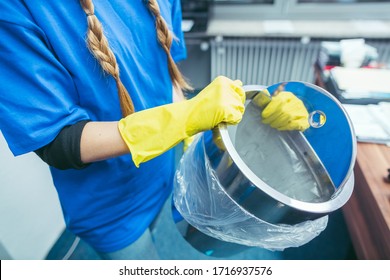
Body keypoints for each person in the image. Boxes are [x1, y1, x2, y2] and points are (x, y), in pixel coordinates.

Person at [0, 0, 309, 259]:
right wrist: (183, 118)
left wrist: (197, 128)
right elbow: (59, 142)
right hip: (109, 208)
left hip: (160, 172)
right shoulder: (16, 10)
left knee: (159, 231)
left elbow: (164, 69)